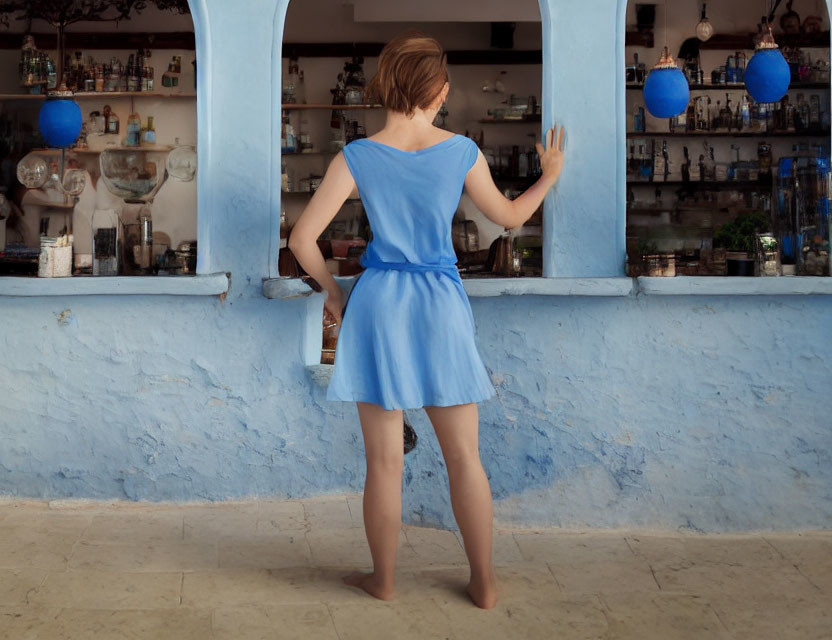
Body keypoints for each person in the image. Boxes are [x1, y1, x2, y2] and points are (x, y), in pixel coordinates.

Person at [289, 29, 565, 610]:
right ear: (438, 91)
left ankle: (383, 580)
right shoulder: (461, 151)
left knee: (385, 461)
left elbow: (301, 239)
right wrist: (549, 175)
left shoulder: (356, 156)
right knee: (465, 457)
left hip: (379, 302)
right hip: (439, 302)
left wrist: (336, 294)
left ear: (387, 85)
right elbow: (510, 218)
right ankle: (484, 583)